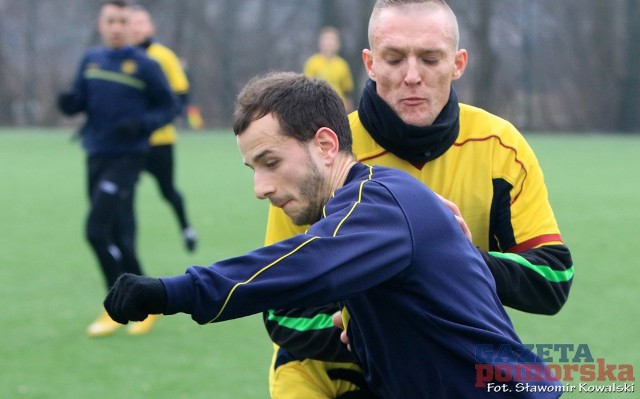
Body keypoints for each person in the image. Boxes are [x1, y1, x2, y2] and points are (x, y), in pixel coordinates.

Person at [103, 72, 562, 399]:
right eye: (253, 169)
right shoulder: (371, 206)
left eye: (271, 162)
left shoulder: (381, 201)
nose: (260, 188)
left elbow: (309, 263)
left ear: (325, 145)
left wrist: (172, 291)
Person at [263, 0, 574, 398]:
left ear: (458, 63)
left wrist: (462, 259)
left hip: (439, 370)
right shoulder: (324, 154)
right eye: (394, 59)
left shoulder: (501, 147)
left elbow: (553, 278)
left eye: (430, 59)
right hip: (331, 374)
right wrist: (372, 326)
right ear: (370, 63)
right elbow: (279, 306)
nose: (412, 76)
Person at [57, 0, 178, 337]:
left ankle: (116, 306)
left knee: (96, 230)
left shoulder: (145, 65)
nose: (116, 27)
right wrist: (70, 103)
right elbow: (81, 98)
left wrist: (141, 124)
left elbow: (169, 107)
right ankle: (149, 304)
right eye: (110, 20)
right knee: (122, 236)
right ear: (101, 24)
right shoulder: (91, 59)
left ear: (130, 25)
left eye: (122, 21)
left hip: (128, 159)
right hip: (95, 155)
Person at [129, 5, 198, 253]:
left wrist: (166, 116)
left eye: (141, 22)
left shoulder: (164, 56)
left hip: (160, 141)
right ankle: (126, 244)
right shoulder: (120, 57)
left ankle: (186, 228)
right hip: (129, 142)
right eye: (131, 23)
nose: (135, 27)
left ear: (151, 27)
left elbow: (181, 93)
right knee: (124, 195)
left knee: (167, 191)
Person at [304, 26, 355, 112]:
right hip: (317, 107)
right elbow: (306, 87)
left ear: (338, 44)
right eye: (326, 40)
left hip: (338, 108)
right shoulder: (312, 63)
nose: (329, 43)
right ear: (320, 43)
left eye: (332, 40)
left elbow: (347, 91)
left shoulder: (342, 65)